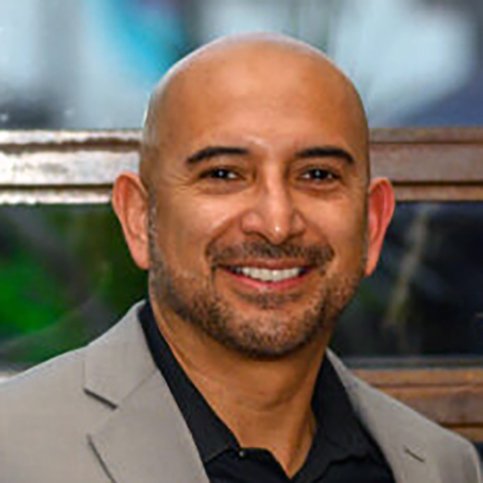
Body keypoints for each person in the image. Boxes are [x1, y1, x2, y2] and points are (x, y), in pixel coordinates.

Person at [0, 33, 481, 483]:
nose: (277, 223)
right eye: (224, 174)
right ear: (139, 218)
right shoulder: (14, 449)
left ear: (372, 225)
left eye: (317, 175)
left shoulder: (440, 466)